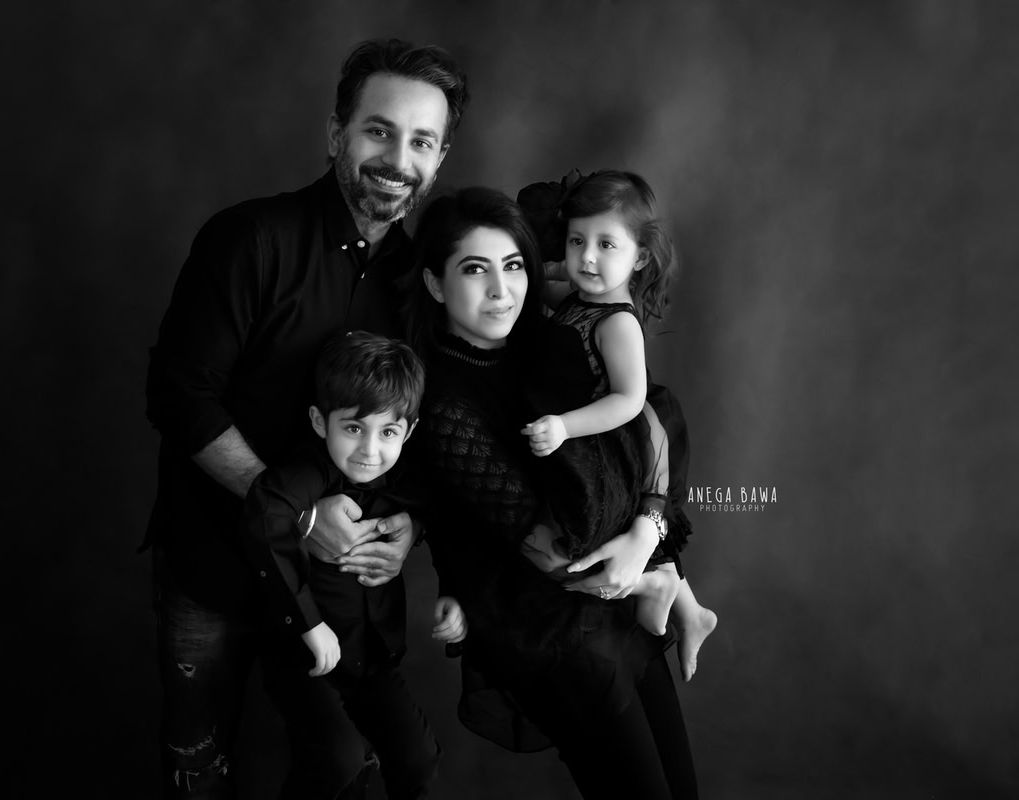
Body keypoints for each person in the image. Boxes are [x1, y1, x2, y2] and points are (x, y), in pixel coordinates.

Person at [142, 39, 468, 798]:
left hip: (333, 595)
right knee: (200, 765)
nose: (398, 159)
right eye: (379, 131)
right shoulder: (250, 239)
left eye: (422, 141)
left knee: (338, 768)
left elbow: (420, 429)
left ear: (440, 158)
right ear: (335, 134)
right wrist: (298, 513)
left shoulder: (419, 285)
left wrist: (410, 527)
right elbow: (179, 396)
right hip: (214, 566)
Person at [405, 187, 697, 799]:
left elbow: (650, 418)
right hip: (553, 628)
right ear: (435, 284)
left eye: (512, 266)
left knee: (681, 787)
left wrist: (647, 531)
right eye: (474, 270)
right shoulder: (446, 408)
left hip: (619, 595)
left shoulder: (549, 335)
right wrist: (633, 577)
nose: (500, 290)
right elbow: (539, 544)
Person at [239, 331, 461, 799]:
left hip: (372, 660)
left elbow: (445, 512)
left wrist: (448, 580)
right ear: (320, 422)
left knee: (419, 759)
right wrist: (308, 623)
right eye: (354, 429)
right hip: (305, 658)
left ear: (409, 431)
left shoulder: (405, 471)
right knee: (338, 760)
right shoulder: (308, 470)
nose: (369, 451)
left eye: (388, 433)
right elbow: (264, 515)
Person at [517, 169, 718, 680]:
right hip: (584, 437)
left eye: (606, 244)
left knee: (572, 544)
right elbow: (536, 281)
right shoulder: (579, 295)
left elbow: (629, 400)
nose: (587, 258)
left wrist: (565, 427)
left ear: (641, 256)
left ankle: (657, 589)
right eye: (577, 240)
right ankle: (691, 612)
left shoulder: (617, 322)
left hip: (606, 441)